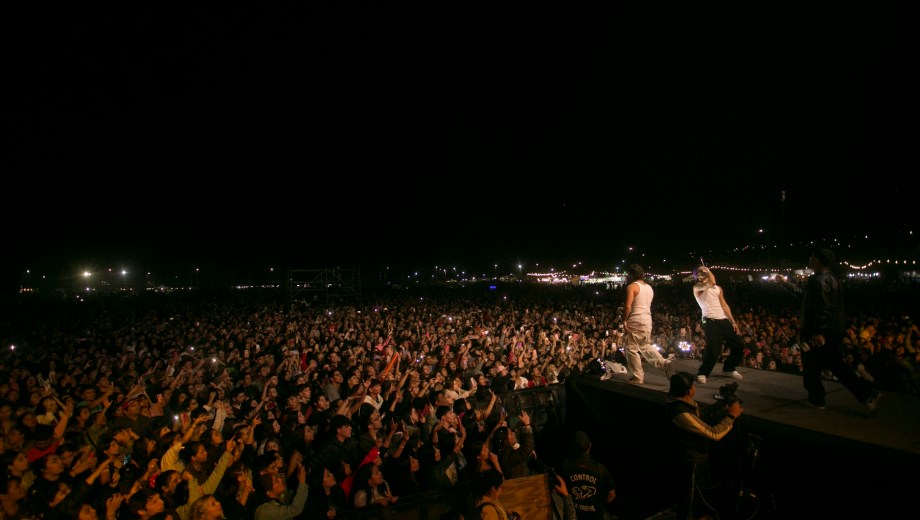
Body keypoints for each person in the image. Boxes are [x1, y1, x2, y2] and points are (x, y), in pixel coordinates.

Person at [799, 248, 882, 414]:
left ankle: (817, 399)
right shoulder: (829, 279)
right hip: (832, 331)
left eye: (811, 257)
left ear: (817, 260)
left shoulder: (821, 280)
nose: (809, 260)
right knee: (837, 365)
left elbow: (824, 307)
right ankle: (867, 395)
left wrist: (818, 332)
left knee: (811, 365)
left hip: (820, 332)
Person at [666, 371, 742, 520]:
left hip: (696, 459)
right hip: (690, 462)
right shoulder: (680, 412)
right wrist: (731, 416)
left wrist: (721, 404)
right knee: (689, 499)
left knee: (698, 498)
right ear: (689, 390)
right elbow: (713, 433)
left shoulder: (682, 403)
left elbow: (701, 415)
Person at [692, 266, 744, 384]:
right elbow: (713, 281)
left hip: (723, 320)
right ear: (697, 276)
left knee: (739, 345)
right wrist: (708, 270)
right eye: (701, 273)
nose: (704, 274)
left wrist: (733, 321)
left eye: (705, 272)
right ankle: (703, 372)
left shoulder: (718, 288)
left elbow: (724, 305)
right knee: (713, 350)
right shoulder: (697, 287)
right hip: (711, 321)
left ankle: (728, 369)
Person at [620, 264, 669, 384]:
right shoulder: (649, 287)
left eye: (628, 275)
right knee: (644, 345)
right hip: (647, 319)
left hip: (636, 319)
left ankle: (638, 377)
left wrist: (624, 320)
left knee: (631, 348)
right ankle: (662, 362)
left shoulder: (632, 287)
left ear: (632, 275)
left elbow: (628, 306)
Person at [559, 430, 615, 520]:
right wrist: (599, 506)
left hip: (574, 515)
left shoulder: (565, 465)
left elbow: (559, 489)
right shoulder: (601, 469)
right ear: (590, 445)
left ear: (573, 447)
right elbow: (612, 495)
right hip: (595, 516)